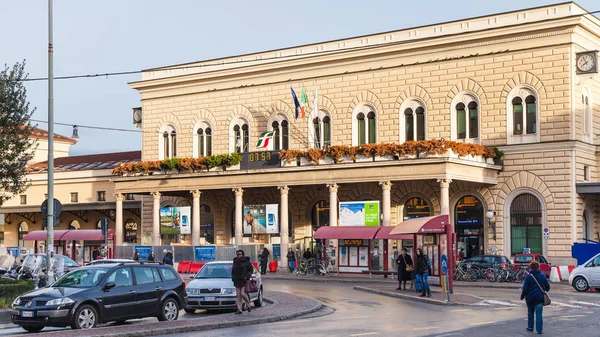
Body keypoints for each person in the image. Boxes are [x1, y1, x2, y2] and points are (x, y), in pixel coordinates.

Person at [520, 260, 550, 334]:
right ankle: (539, 330)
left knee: (530, 312)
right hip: (539, 297)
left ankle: (530, 327)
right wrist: (544, 289)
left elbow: (525, 288)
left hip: (530, 298)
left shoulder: (528, 277)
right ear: (538, 267)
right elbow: (548, 287)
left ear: (530, 267)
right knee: (539, 313)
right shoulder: (542, 275)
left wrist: (522, 296)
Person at [232, 249, 253, 314]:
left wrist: (247, 276)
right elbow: (233, 270)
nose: (238, 256)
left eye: (240, 254)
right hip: (237, 279)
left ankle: (248, 304)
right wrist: (233, 277)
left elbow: (250, 270)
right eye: (237, 254)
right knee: (238, 295)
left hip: (244, 279)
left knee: (242, 293)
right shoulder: (235, 261)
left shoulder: (246, 261)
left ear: (243, 254)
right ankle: (239, 309)